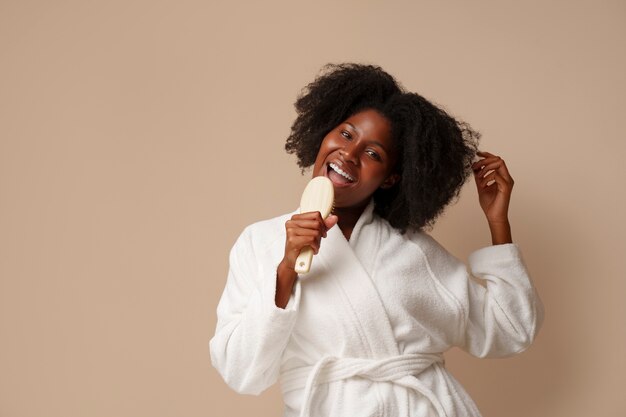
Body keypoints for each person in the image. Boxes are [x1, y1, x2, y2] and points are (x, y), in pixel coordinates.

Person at [209, 63, 544, 417]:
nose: (348, 155)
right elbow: (239, 372)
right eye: (346, 134)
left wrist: (497, 222)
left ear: (390, 178)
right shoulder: (260, 243)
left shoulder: (414, 252)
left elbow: (511, 329)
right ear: (324, 135)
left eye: (373, 154)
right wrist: (286, 270)